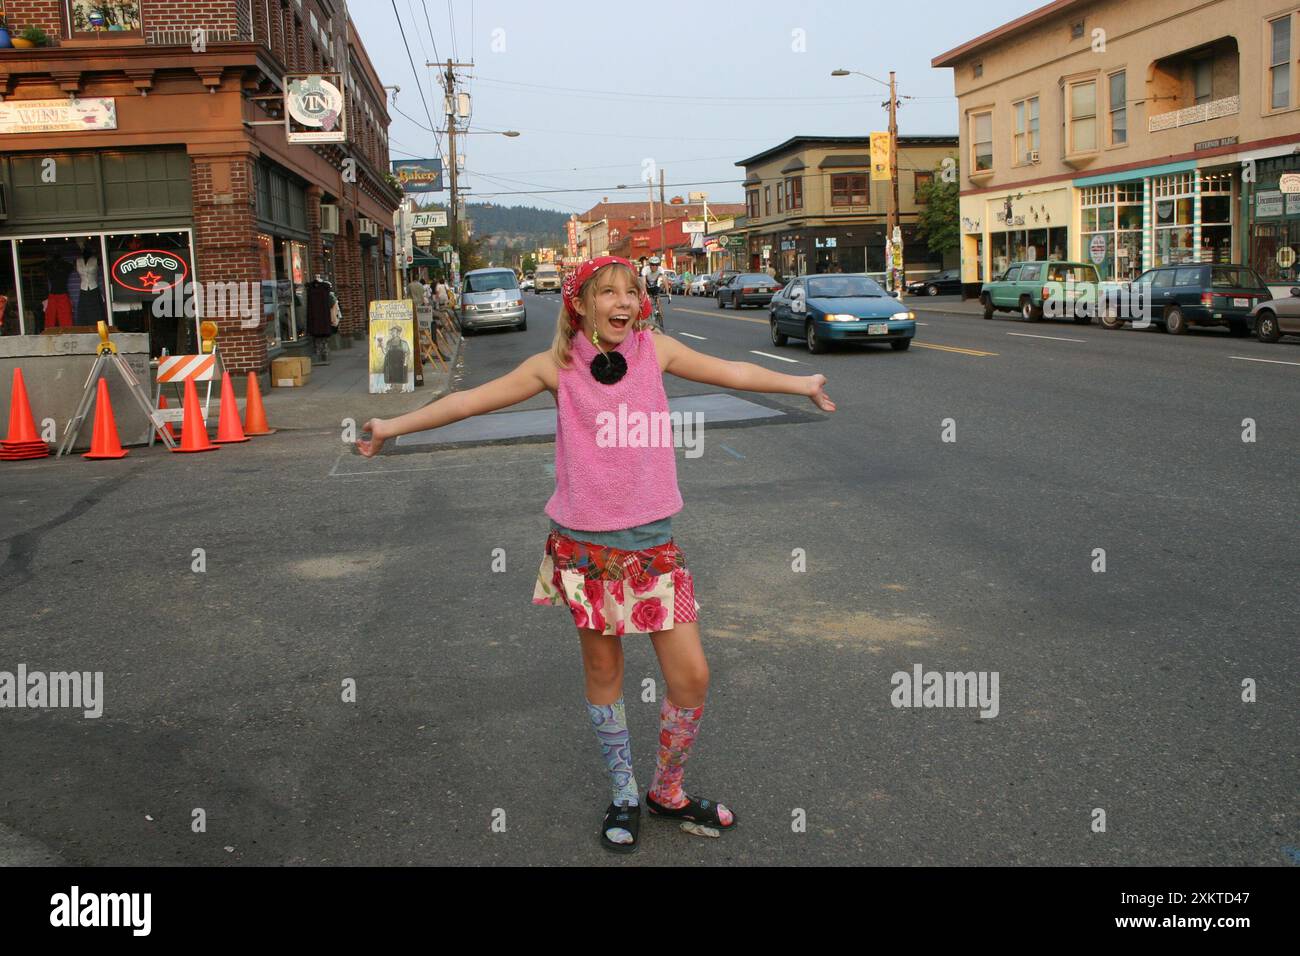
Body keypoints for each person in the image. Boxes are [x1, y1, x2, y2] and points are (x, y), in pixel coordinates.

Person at [356, 255, 836, 853]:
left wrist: (801, 383)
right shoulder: (553, 366)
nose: (622, 302)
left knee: (692, 676)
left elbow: (733, 372)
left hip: (653, 545)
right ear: (579, 303)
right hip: (586, 551)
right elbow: (467, 403)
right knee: (605, 673)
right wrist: (392, 425)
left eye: (631, 292)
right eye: (607, 292)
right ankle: (626, 792)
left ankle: (667, 787)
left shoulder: (654, 350)